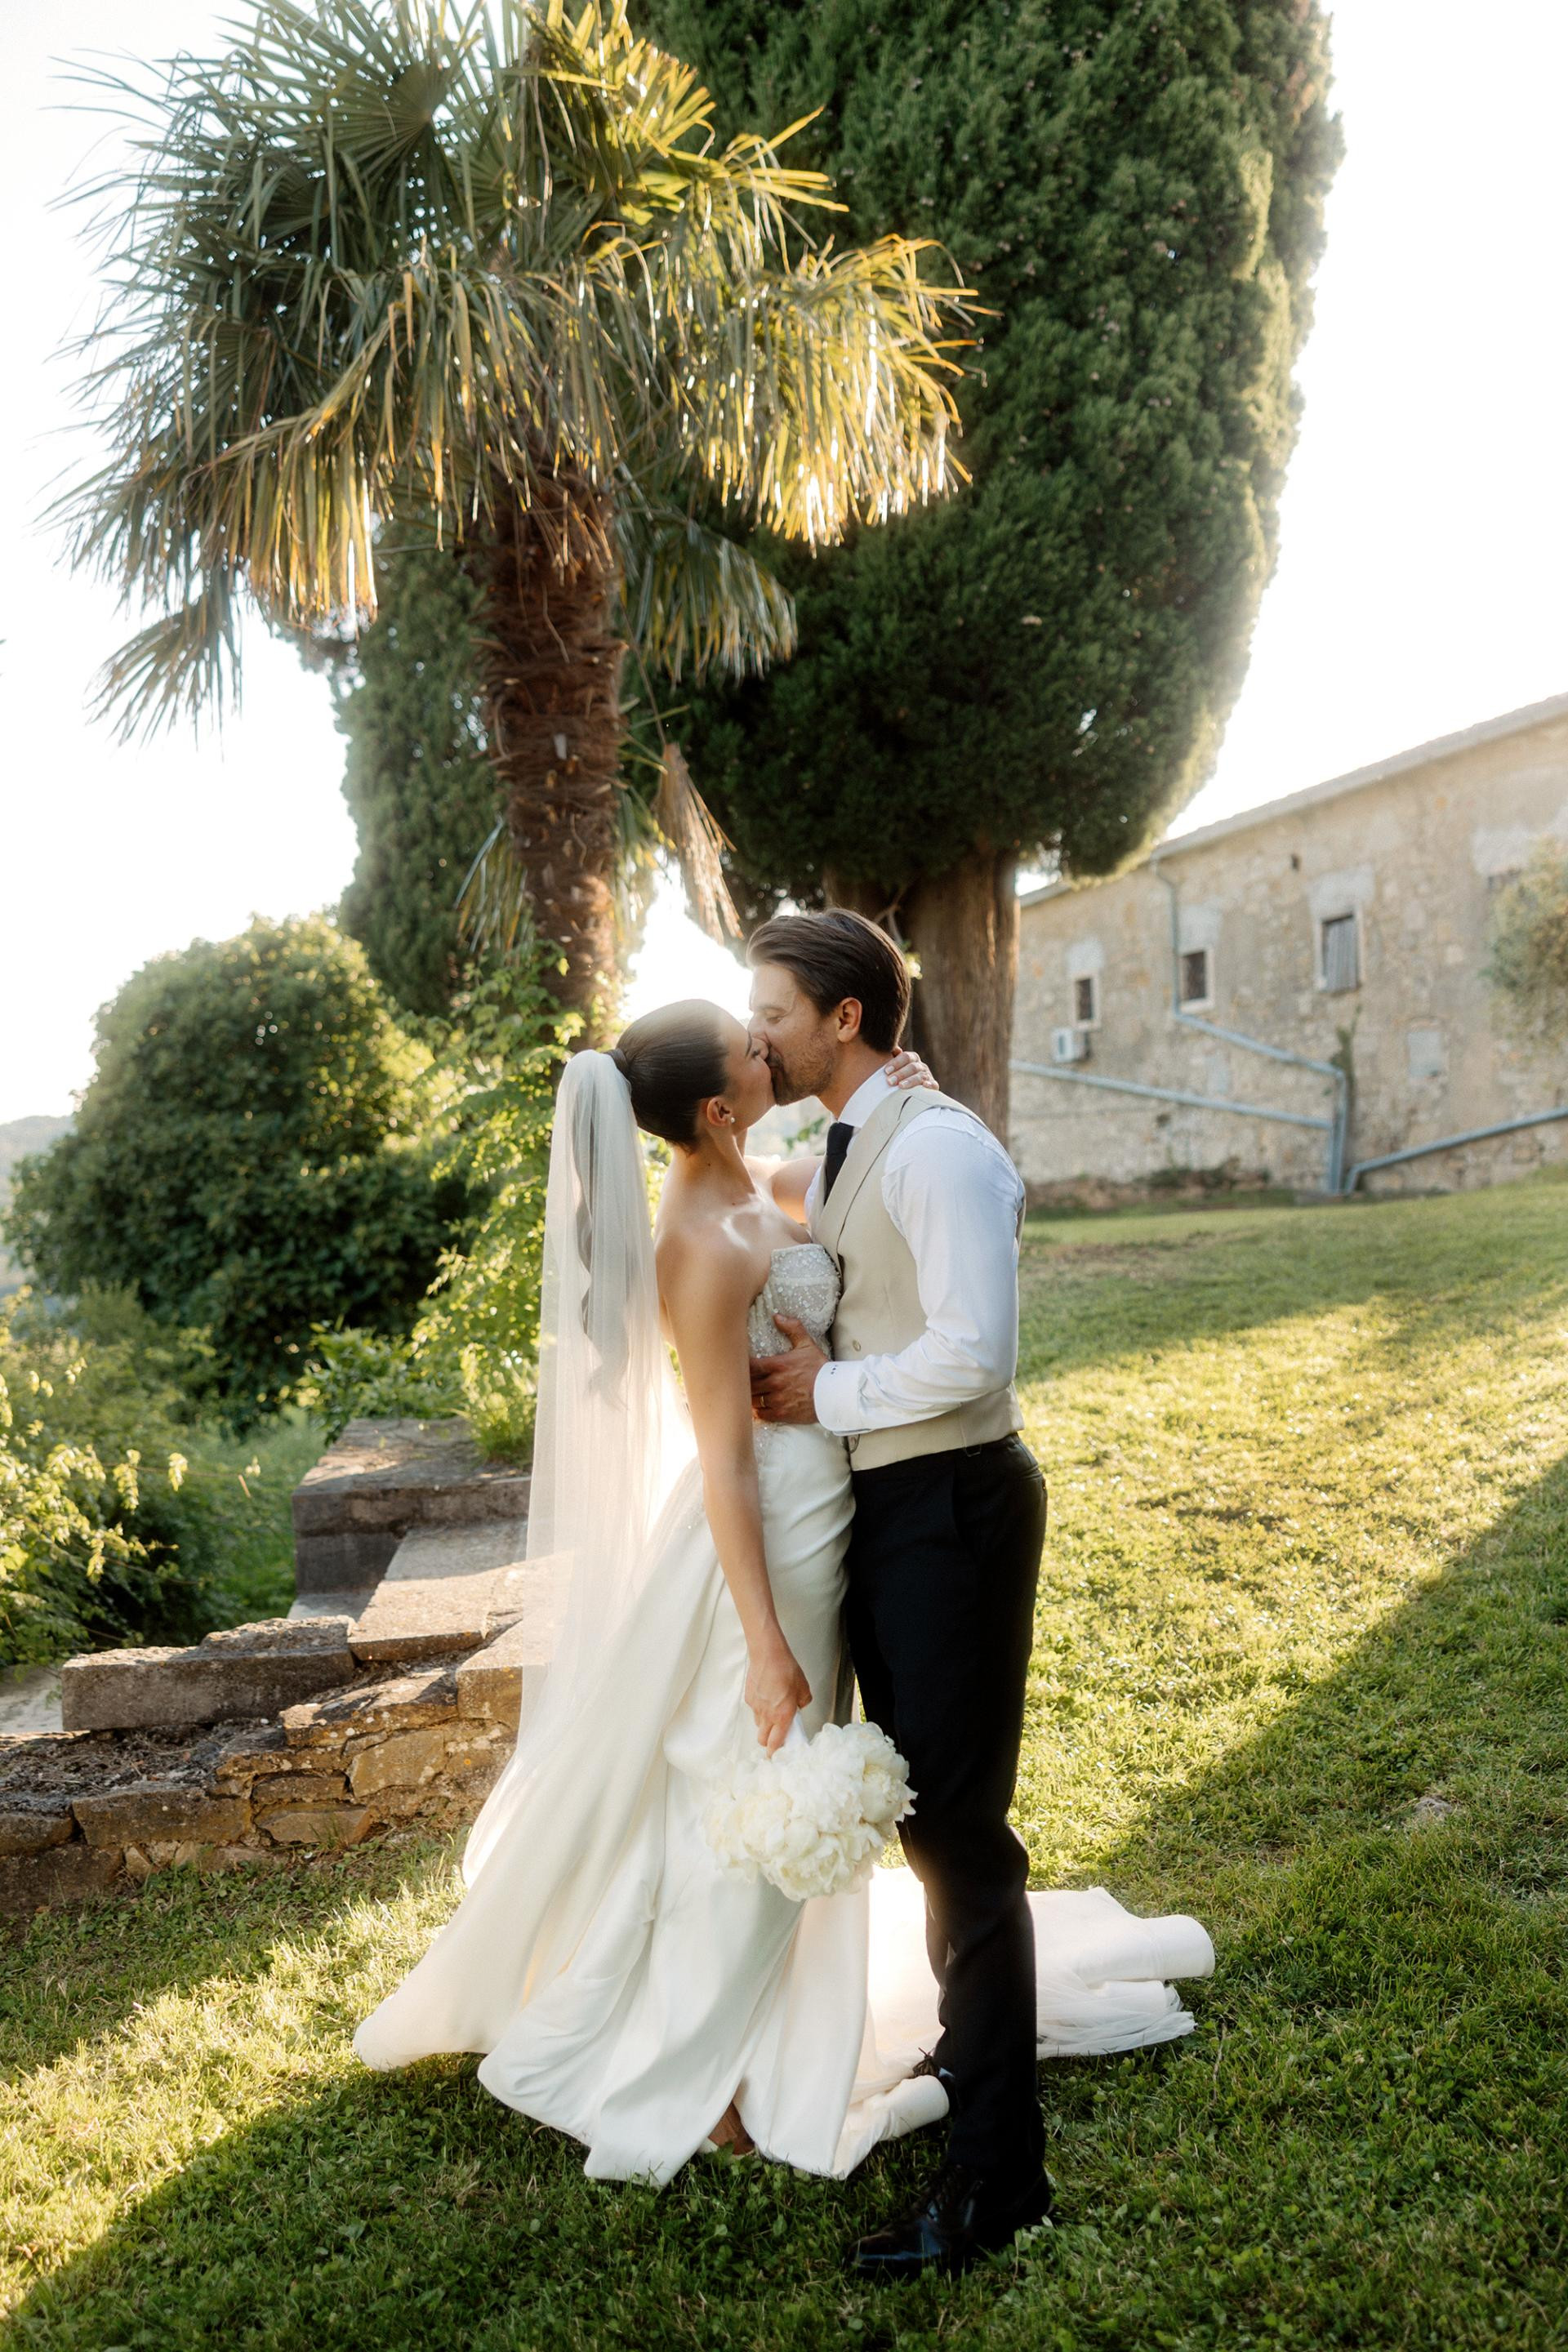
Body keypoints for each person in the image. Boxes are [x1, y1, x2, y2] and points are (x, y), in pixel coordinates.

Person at [354, 975, 1214, 2261]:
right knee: (739, 1794)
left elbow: (845, 1174)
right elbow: (721, 1461)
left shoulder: (763, 1182)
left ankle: (756, 2028)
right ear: (718, 1106)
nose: (769, 1048)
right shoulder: (697, 1245)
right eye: (750, 1049)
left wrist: (905, 1101)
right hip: (765, 1548)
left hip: (837, 1511)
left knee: (772, 1791)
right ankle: (695, 2070)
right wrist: (762, 1640)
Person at [748, 910, 1052, 2276]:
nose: (757, 1032)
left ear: (846, 1018)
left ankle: (997, 2183)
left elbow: (976, 1356)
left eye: (774, 1010)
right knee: (924, 1805)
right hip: (892, 1506)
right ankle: (973, 2051)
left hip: (956, 1508)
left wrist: (827, 1392)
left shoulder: (938, 1150)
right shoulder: (853, 1136)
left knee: (961, 1837)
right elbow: (770, 1184)